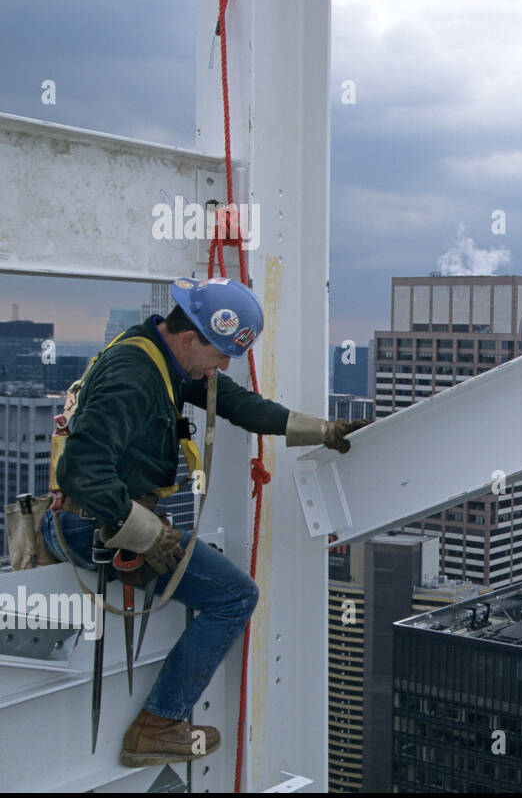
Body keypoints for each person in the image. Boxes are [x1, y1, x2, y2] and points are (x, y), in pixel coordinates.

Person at [40, 276, 368, 767]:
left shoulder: (159, 353)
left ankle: (158, 720)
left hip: (103, 518)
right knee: (236, 595)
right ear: (190, 337)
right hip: (89, 526)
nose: (224, 365)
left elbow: (236, 403)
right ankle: (158, 724)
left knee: (210, 570)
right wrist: (148, 534)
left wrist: (324, 430)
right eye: (220, 353)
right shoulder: (134, 375)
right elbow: (81, 472)